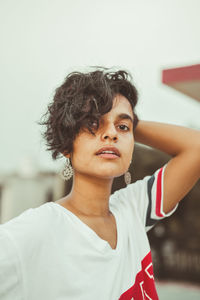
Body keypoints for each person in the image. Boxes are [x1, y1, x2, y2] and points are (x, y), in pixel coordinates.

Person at [0, 68, 200, 300]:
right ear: (66, 145)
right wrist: (117, 119)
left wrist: (129, 121)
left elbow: (195, 148)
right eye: (93, 123)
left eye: (122, 128)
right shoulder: (36, 231)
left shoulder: (132, 210)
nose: (111, 134)